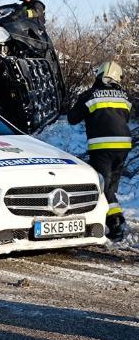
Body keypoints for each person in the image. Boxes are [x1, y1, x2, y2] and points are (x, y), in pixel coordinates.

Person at [68, 61, 132, 241]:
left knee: (103, 185)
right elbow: (124, 118)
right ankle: (111, 218)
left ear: (99, 74)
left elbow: (72, 118)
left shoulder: (90, 95)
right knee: (111, 186)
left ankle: (115, 222)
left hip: (102, 147)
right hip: (123, 147)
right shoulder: (125, 97)